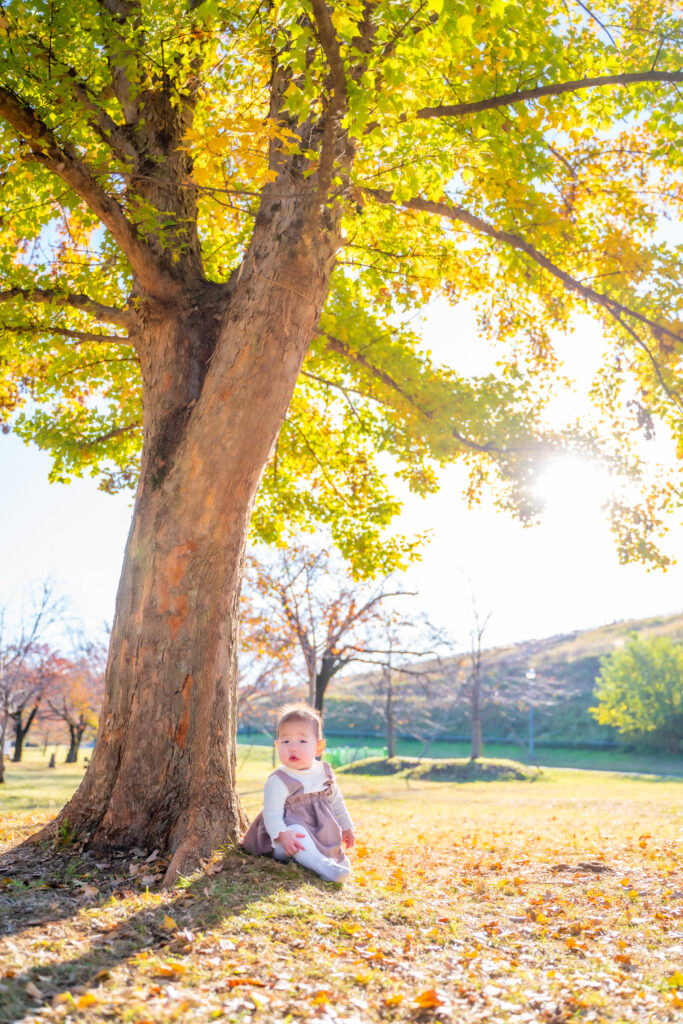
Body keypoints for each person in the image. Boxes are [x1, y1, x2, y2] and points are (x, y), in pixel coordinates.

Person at [242, 703, 354, 882]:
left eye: (302, 741)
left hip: (318, 833)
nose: (293, 747)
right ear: (278, 746)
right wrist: (282, 834)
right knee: (297, 832)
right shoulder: (279, 780)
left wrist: (347, 826)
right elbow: (272, 814)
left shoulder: (324, 772)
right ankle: (324, 868)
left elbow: (337, 801)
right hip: (285, 839)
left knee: (329, 847)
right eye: (286, 741)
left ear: (318, 747)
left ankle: (330, 863)